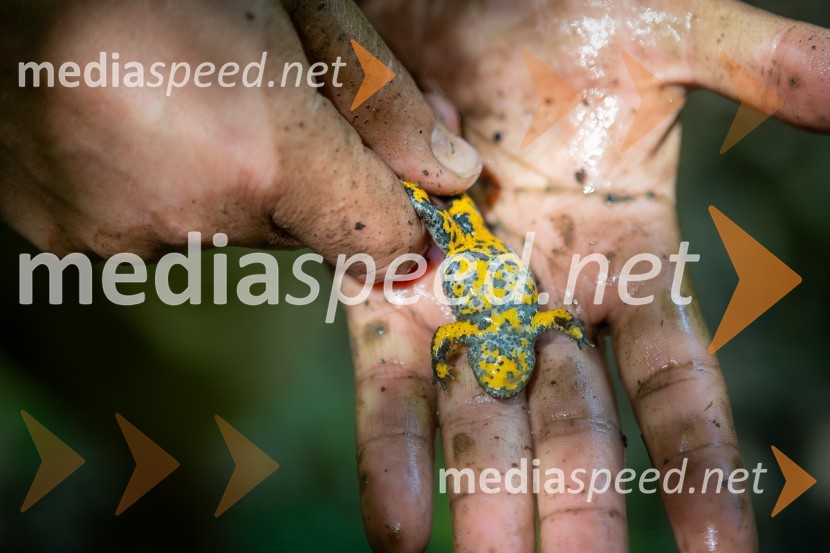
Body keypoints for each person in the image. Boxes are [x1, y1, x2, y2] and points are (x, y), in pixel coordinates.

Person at [1, 1, 827, 552]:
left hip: (419, 203)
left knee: (193, 351)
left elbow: (521, 325)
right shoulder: (510, 321)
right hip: (426, 210)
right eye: (501, 367)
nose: (502, 375)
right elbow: (526, 322)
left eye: (501, 369)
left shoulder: (508, 324)